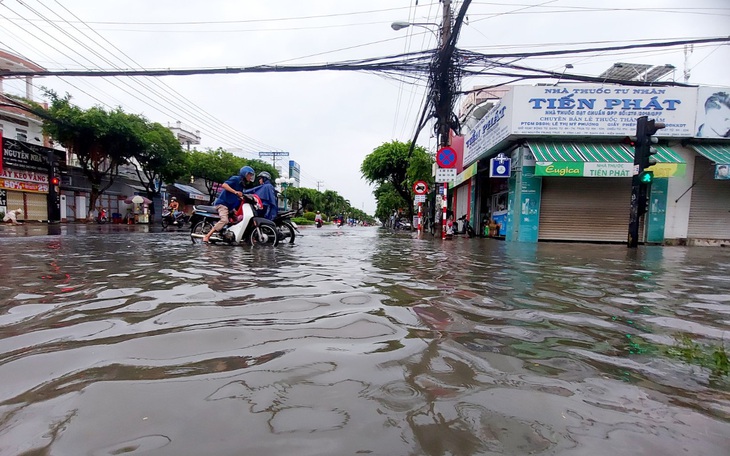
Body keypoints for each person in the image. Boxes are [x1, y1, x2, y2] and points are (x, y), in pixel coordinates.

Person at [202, 166, 256, 243]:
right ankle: (207, 236)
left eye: (251, 175)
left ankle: (229, 235)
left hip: (230, 206)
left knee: (237, 220)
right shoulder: (236, 179)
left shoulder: (242, 184)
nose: (250, 177)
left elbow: (239, 195)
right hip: (222, 204)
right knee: (225, 220)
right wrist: (235, 192)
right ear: (245, 174)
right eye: (249, 175)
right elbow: (224, 185)